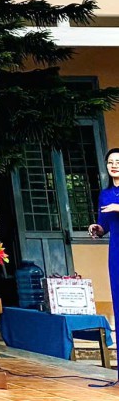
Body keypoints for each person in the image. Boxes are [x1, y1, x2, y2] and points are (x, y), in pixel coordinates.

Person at [89, 148, 119, 366]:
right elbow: (104, 226)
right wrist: (96, 228)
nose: (114, 165)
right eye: (110, 162)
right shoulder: (105, 194)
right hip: (116, 253)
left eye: (118, 161)